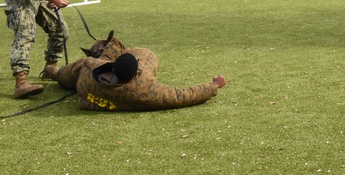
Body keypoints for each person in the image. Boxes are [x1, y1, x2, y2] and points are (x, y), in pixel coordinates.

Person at [54, 33, 226, 111]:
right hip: (123, 88)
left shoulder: (90, 66)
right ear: (136, 73)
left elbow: (69, 73)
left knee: (112, 45)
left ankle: (103, 47)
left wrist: (56, 73)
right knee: (148, 55)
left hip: (89, 89)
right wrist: (213, 86)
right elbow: (181, 96)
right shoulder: (141, 90)